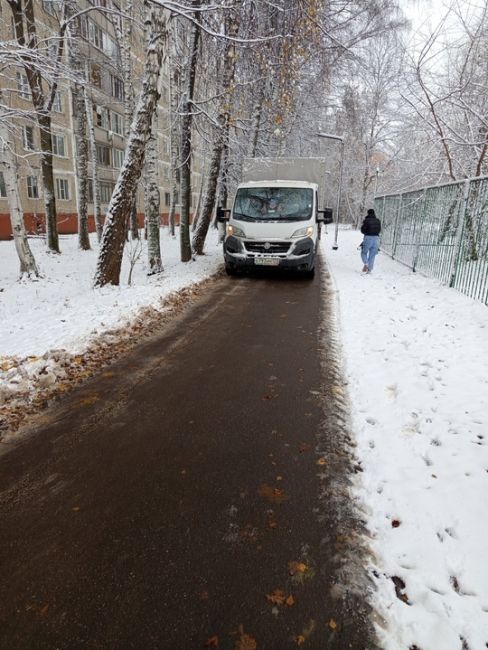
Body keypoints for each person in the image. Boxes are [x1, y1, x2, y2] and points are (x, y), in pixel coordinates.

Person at [360, 208, 381, 273]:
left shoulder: (366, 220)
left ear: (368, 213)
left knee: (364, 252)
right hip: (376, 239)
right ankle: (369, 270)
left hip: (368, 238)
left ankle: (366, 263)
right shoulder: (378, 220)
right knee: (372, 255)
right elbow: (379, 230)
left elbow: (363, 230)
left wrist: (366, 232)